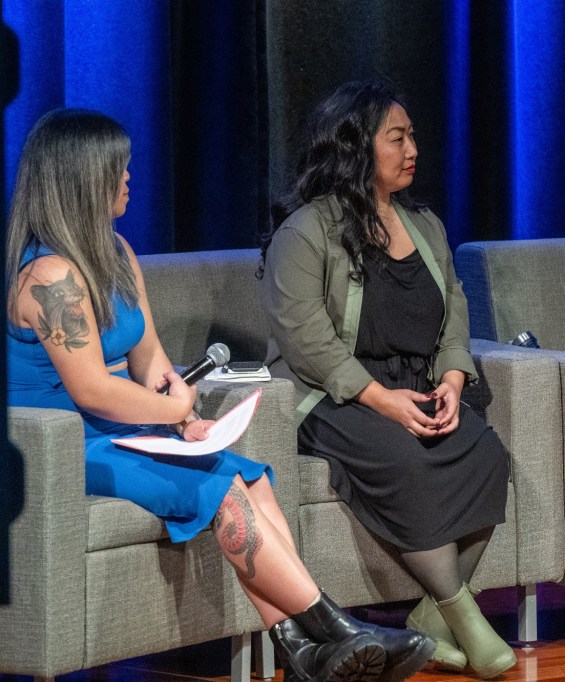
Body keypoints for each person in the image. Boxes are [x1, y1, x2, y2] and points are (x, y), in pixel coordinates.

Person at [5, 108, 436, 682]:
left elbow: (150, 360)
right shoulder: (47, 277)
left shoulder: (116, 254)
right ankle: (335, 627)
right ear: (81, 179)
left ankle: (300, 651)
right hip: (62, 448)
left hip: (118, 430)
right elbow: (92, 388)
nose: (130, 177)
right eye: (119, 167)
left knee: (251, 475)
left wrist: (181, 419)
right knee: (221, 488)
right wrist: (173, 410)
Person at [257, 79, 516, 680]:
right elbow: (306, 340)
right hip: (331, 395)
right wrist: (383, 401)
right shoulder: (306, 230)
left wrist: (451, 381)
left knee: (483, 453)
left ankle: (426, 619)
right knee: (405, 458)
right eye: (396, 138)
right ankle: (464, 615)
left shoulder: (424, 225)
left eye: (412, 136)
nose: (412, 149)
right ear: (354, 148)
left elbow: (453, 318)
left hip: (413, 385)